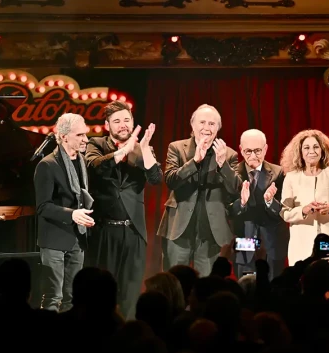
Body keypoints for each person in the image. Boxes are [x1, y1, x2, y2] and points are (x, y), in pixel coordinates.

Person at [85, 100, 163, 320]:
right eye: (116, 121)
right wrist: (122, 152)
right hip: (103, 230)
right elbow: (94, 167)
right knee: (101, 291)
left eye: (126, 120)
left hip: (133, 231)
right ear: (107, 125)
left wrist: (144, 150)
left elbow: (156, 179)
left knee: (130, 291)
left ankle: (127, 332)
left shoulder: (143, 149)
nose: (123, 125)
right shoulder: (96, 144)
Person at [157, 104, 242, 277]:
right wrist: (194, 161)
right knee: (174, 279)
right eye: (202, 122)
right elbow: (171, 181)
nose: (206, 128)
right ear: (193, 125)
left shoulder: (228, 154)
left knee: (207, 283)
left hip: (210, 231)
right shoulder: (177, 148)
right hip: (179, 227)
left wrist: (222, 164)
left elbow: (235, 189)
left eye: (212, 124)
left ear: (218, 128)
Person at [34, 113, 94, 312]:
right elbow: (43, 206)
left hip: (77, 238)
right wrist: (72, 214)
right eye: (80, 135)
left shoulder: (82, 162)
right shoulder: (47, 165)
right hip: (54, 240)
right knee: (53, 297)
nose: (86, 139)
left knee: (72, 297)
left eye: (85, 134)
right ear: (64, 136)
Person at [279, 129, 329, 267]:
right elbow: (285, 212)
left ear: (323, 150)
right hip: (302, 243)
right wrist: (303, 210)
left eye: (316, 147)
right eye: (306, 148)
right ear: (300, 152)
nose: (311, 151)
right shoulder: (291, 177)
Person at [231, 129, 289, 279]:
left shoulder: (279, 173)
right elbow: (227, 209)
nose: (253, 156)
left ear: (265, 149)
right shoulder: (232, 174)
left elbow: (285, 211)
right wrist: (242, 203)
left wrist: (270, 201)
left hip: (273, 240)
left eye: (257, 151)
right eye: (248, 151)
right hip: (244, 237)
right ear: (240, 149)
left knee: (274, 286)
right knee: (246, 284)